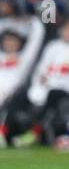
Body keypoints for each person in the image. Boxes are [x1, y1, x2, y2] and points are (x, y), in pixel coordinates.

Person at [7, 17, 69, 150]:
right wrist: (41, 81)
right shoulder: (52, 47)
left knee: (53, 95)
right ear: (62, 30)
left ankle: (34, 133)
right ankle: (4, 131)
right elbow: (41, 69)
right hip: (44, 87)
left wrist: (57, 83)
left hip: (67, 91)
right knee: (19, 94)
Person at [0, 15, 46, 147]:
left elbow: (36, 39)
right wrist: (10, 21)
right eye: (7, 40)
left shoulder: (24, 58)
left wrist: (34, 20)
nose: (10, 43)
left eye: (13, 40)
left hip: (10, 93)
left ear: (20, 43)